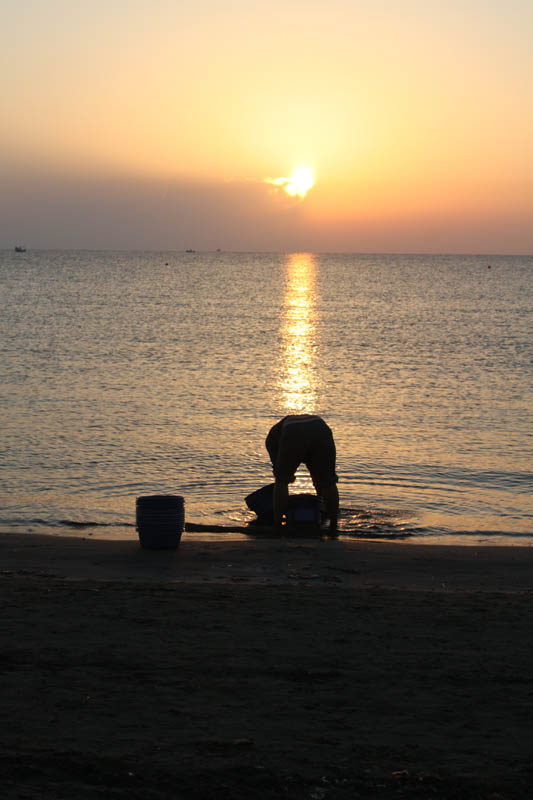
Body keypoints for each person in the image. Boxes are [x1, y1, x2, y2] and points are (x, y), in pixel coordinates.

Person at [265, 414, 339, 531]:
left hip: (292, 430)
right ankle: (333, 525)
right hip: (320, 427)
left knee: (281, 481)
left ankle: (277, 525)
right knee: (327, 482)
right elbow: (320, 480)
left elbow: (280, 478)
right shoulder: (277, 434)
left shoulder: (271, 442)